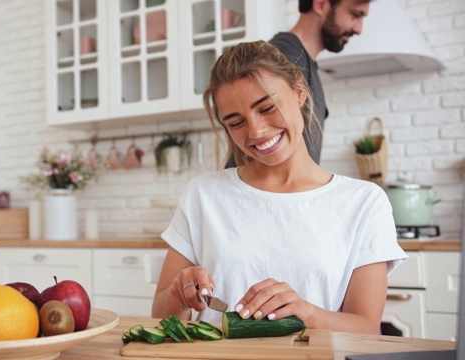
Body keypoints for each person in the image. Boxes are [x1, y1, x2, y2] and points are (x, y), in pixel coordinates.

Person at [152, 41, 407, 334]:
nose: (256, 131)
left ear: (299, 91)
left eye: (267, 107)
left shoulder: (364, 202)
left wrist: (306, 312)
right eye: (236, 123)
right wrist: (178, 292)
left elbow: (366, 328)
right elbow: (160, 317)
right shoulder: (203, 195)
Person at [225, 0, 371, 167]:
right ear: (321, 5)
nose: (358, 29)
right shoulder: (283, 58)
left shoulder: (302, 62)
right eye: (355, 15)